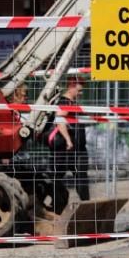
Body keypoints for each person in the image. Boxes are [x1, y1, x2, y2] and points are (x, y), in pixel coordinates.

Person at [48, 76, 90, 210]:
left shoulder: (71, 103)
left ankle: (86, 207)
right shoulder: (65, 102)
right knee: (57, 177)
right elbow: (60, 120)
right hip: (67, 149)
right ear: (72, 86)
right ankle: (56, 206)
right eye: (79, 90)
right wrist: (68, 140)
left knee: (80, 178)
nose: (81, 93)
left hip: (76, 148)